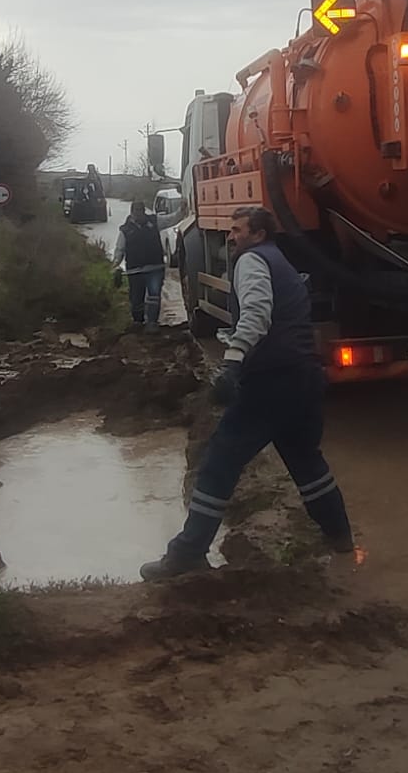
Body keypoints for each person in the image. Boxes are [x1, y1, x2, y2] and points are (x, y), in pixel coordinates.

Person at [140, 207, 353, 580]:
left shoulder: (252, 260)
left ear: (257, 234)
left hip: (271, 379)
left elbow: (256, 313)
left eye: (238, 230)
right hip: (305, 377)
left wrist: (233, 361)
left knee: (219, 463)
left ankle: (188, 552)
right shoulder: (280, 261)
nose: (232, 237)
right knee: (306, 461)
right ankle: (341, 538)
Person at [112, 200, 165, 333]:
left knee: (154, 295)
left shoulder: (154, 222)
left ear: (143, 211)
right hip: (135, 270)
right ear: (131, 212)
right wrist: (115, 264)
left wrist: (181, 211)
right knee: (136, 298)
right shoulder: (126, 230)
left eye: (140, 211)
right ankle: (138, 322)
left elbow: (170, 219)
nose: (138, 214)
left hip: (155, 268)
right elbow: (120, 249)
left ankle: (152, 323)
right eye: (136, 211)